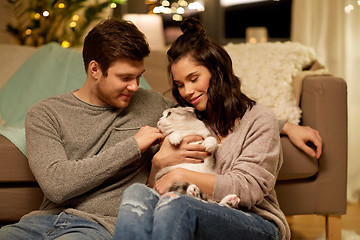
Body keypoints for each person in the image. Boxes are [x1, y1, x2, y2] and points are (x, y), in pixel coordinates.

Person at [0, 17, 320, 240]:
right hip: (43, 221)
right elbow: (57, 185)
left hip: (104, 226)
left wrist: (286, 124)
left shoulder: (152, 105)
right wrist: (142, 152)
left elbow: (243, 122)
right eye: (126, 78)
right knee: (143, 193)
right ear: (95, 70)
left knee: (168, 205)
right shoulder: (45, 113)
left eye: (139, 76)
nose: (135, 86)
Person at [113, 18, 297, 240]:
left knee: (178, 206)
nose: (187, 91)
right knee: (137, 192)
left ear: (217, 71)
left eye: (194, 79)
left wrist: (180, 174)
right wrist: (158, 164)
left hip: (254, 221)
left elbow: (248, 189)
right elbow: (160, 188)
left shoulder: (259, 119)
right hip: (191, 206)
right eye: (180, 84)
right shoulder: (186, 119)